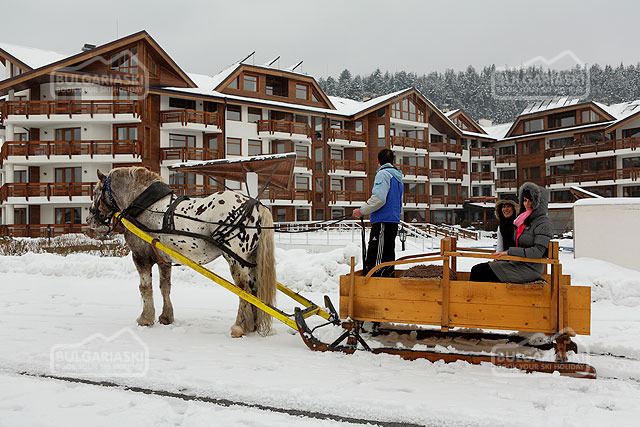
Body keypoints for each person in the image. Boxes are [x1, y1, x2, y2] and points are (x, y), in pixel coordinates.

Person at [469, 182, 552, 283]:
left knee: (479, 271)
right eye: (525, 200)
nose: (527, 204)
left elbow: (537, 252)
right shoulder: (524, 220)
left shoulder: (543, 223)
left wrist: (509, 252)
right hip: (518, 263)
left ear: (539, 203)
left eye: (531, 200)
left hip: (529, 268)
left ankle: (477, 297)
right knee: (478, 270)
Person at [353, 148, 403, 277]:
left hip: (383, 220)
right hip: (392, 220)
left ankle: (374, 285)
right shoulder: (397, 177)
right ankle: (387, 283)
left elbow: (379, 199)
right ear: (392, 161)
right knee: (387, 254)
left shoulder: (383, 174)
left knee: (376, 257)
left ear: (378, 161)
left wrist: (361, 210)